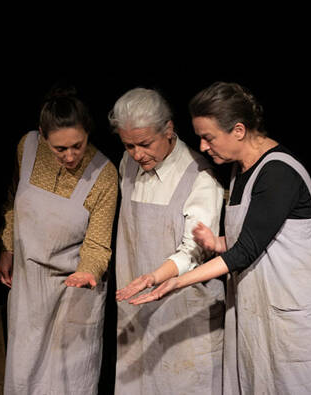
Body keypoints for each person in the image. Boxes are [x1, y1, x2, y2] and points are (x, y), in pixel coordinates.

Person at [122, 82, 311, 394]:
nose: (202, 147)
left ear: (238, 130)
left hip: (295, 315)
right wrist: (218, 242)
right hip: (260, 312)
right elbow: (262, 236)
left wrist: (174, 282)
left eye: (208, 137)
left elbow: (246, 252)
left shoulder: (278, 173)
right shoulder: (240, 170)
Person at [0, 88, 118, 395]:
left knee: (66, 383)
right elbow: (13, 198)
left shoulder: (104, 174)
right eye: (60, 149)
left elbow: (98, 243)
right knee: (24, 375)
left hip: (74, 289)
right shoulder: (28, 147)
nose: (70, 156)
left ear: (88, 133)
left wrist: (88, 271)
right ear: (42, 136)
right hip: (29, 286)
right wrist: (7, 246)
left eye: (77, 145)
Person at [111, 88, 225, 394]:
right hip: (139, 312)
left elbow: (194, 251)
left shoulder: (199, 177)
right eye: (129, 145)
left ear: (169, 129)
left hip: (185, 319)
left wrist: (154, 276)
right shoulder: (128, 164)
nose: (137, 154)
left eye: (145, 144)